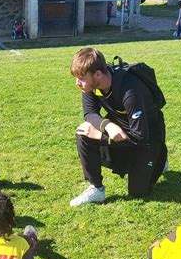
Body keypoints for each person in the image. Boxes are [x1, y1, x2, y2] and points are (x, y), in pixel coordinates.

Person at [69, 47, 167, 205]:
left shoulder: (130, 89)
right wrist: (107, 125)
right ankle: (96, 188)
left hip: (147, 138)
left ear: (98, 74)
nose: (77, 83)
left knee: (138, 192)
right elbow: (89, 114)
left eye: (81, 78)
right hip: (122, 131)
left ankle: (159, 161)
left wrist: (102, 137)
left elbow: (140, 136)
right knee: (84, 133)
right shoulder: (91, 86)